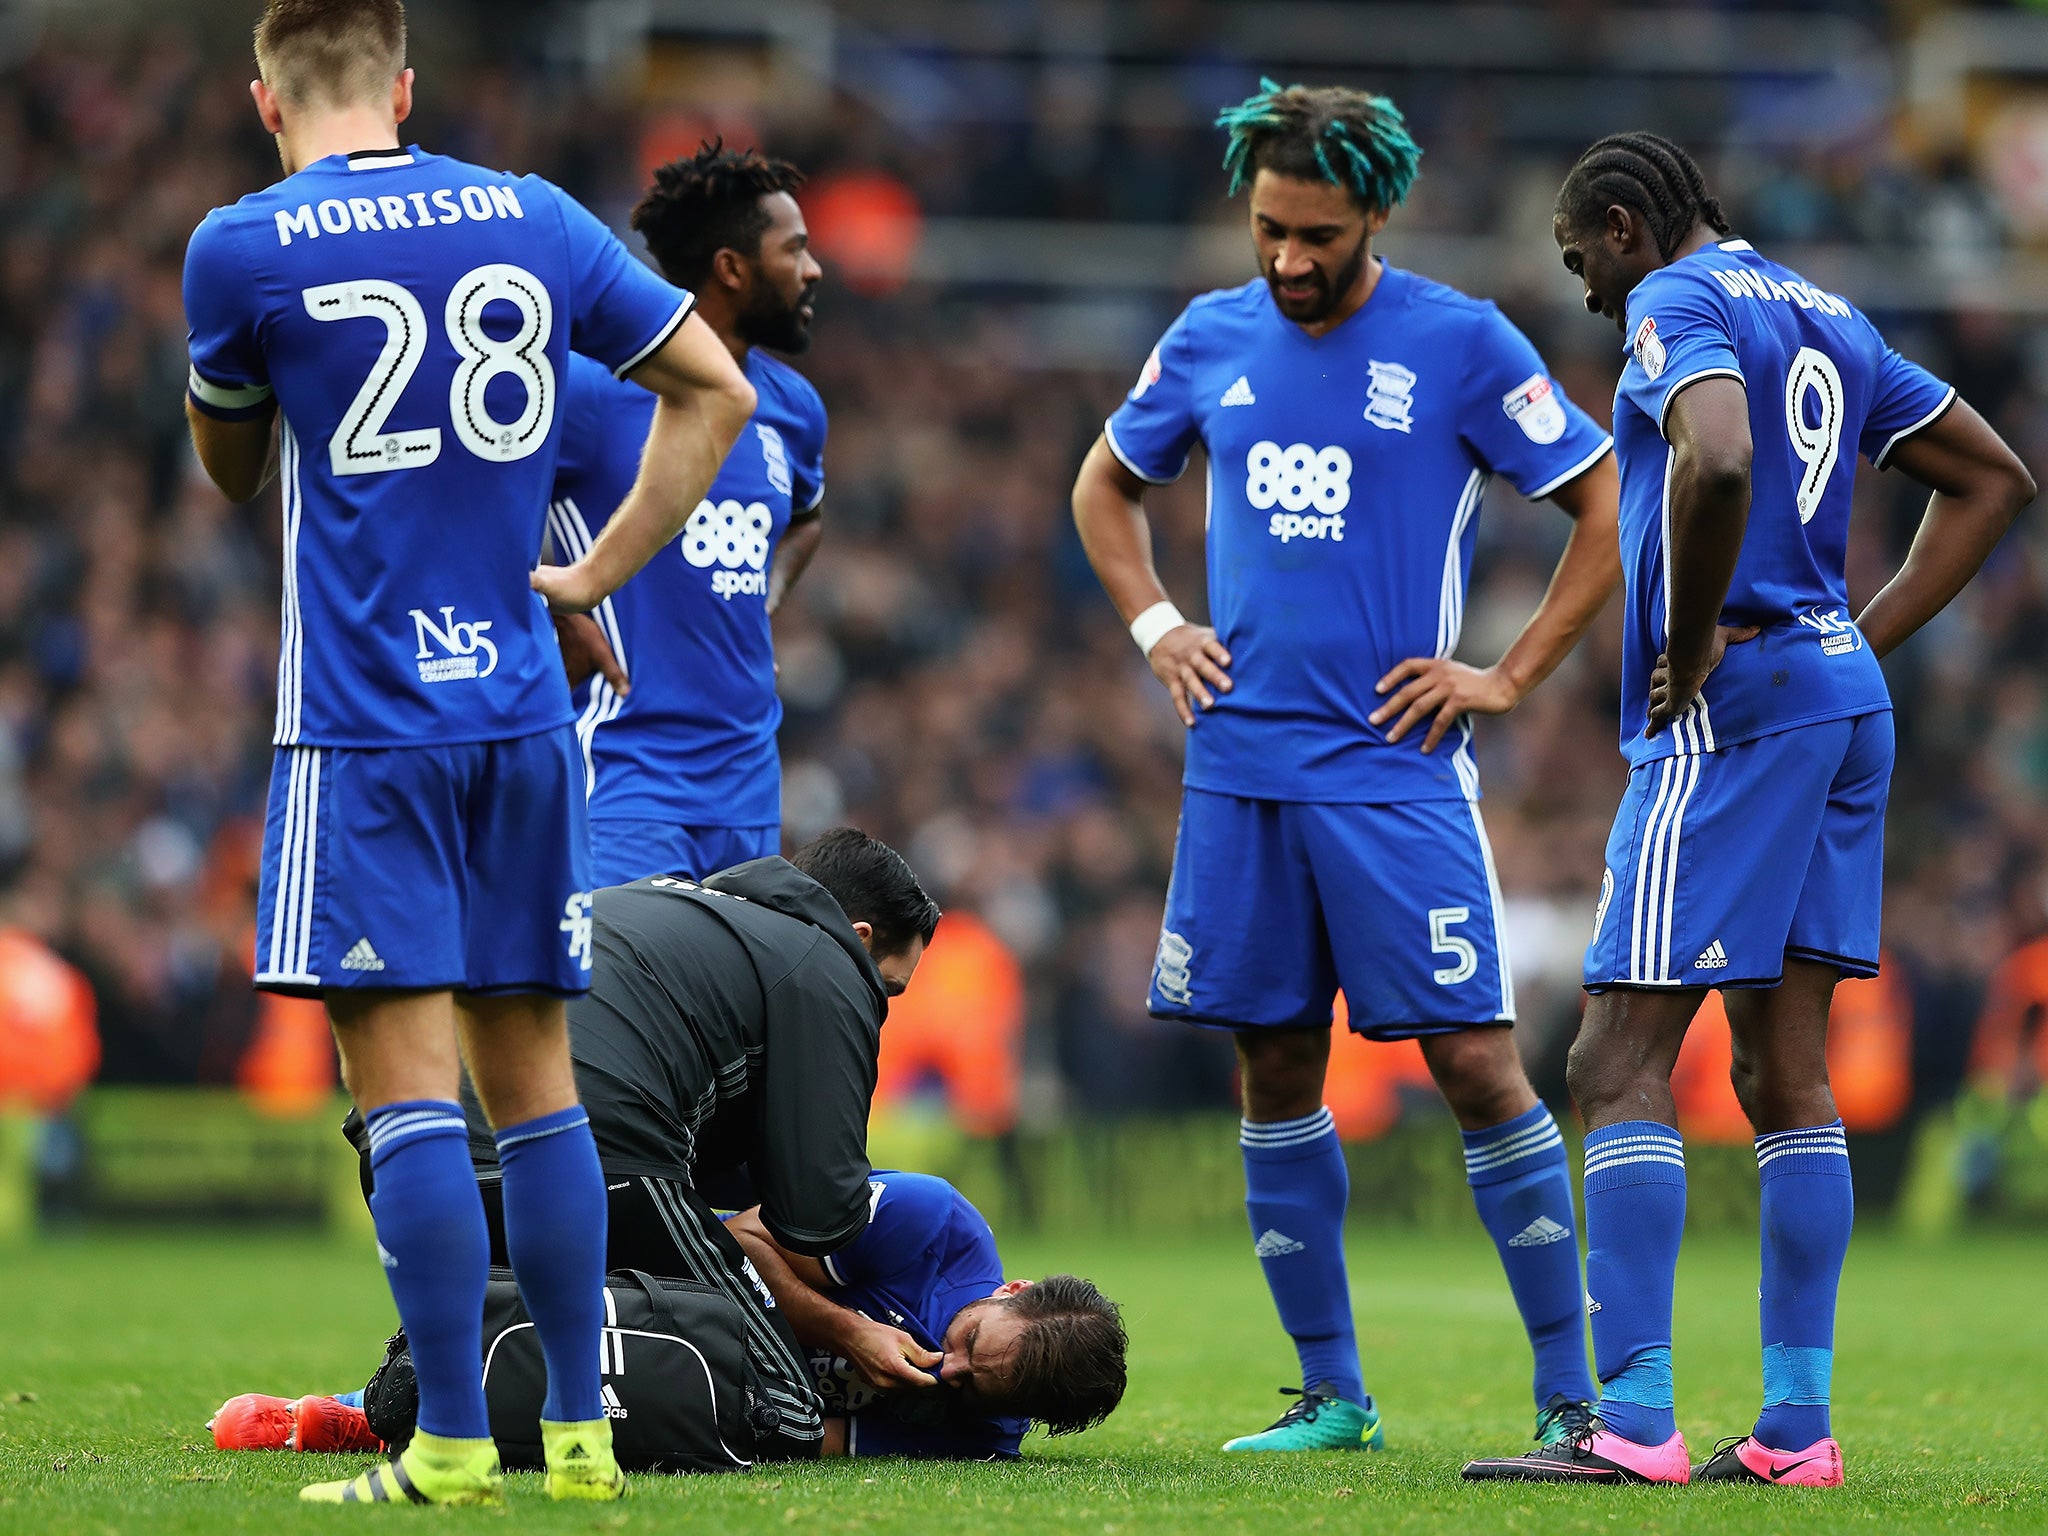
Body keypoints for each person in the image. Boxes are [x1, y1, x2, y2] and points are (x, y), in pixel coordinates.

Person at [180, 0, 755, 1506]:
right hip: (520, 723)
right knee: (539, 1085)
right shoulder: (534, 215)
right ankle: (579, 1432)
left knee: (407, 1094)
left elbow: (232, 464)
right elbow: (717, 393)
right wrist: (590, 576)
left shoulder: (241, 247)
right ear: (408, 86)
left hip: (365, 728)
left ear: (265, 101)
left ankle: (443, 1443)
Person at [1461, 132, 2034, 1487]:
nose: (1593, 297)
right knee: (1784, 1073)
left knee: (1611, 1063)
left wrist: (1708, 623)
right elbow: (1996, 475)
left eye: (1582, 263)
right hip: (1838, 703)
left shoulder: (1678, 301)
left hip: (1740, 713)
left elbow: (1713, 457)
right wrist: (1857, 638)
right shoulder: (1829, 311)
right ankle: (1795, 1432)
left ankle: (1637, 1423)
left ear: (1622, 223)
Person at [1070, 80, 1620, 1455]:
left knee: (1479, 1065)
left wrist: (1507, 675)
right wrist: (1157, 627)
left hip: (1395, 773)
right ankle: (1333, 1396)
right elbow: (1103, 486)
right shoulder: (1208, 335)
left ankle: (1574, 1398)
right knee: (1271, 1064)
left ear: (1378, 210)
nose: (1290, 260)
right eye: (1269, 230)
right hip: (1240, 773)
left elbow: (1606, 500)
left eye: (1318, 234)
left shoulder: (1462, 341)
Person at [210, 1171, 1128, 1462]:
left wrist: (801, 1412)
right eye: (969, 1348)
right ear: (1010, 1291)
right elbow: (740, 1237)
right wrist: (849, 1332)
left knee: (669, 1400)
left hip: (735, 1396)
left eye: (979, 1389)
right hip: (695, 1272)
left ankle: (378, 1418)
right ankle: (360, 1407)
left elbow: (827, 1446)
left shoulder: (983, 1429)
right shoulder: (932, 1229)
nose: (954, 1373)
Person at [551, 142, 829, 885]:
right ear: (732, 270)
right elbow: (458, 499)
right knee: (623, 996)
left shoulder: (793, 409)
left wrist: (765, 597)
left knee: (721, 1004)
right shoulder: (589, 392)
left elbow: (806, 517)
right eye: (794, 250)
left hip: (747, 788)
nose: (814, 269)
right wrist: (540, 596)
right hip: (624, 776)